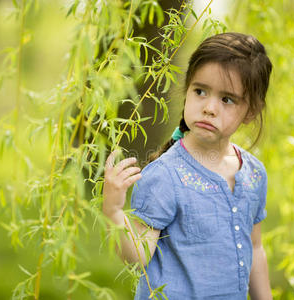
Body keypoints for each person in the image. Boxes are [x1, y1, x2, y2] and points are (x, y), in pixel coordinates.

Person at [103, 32, 273, 300]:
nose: (209, 107)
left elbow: (255, 247)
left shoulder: (253, 173)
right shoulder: (165, 175)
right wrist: (113, 211)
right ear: (187, 90)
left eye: (227, 99)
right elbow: (137, 258)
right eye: (200, 91)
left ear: (251, 111)